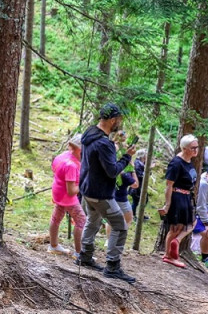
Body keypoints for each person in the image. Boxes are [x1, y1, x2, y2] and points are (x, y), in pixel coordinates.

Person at [76, 103, 137, 283]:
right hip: (101, 193)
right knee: (119, 225)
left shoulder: (90, 133)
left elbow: (98, 160)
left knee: (92, 221)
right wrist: (127, 156)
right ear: (112, 120)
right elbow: (112, 171)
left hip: (87, 190)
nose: (120, 123)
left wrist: (114, 145)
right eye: (119, 120)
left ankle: (85, 256)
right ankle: (112, 266)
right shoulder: (104, 143)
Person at [160, 134, 199, 268]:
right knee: (174, 227)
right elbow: (169, 185)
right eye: (193, 147)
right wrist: (168, 204)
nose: (196, 150)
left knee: (187, 224)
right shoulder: (176, 163)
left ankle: (176, 243)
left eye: (197, 147)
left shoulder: (189, 161)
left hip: (187, 197)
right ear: (184, 148)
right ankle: (168, 255)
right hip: (177, 197)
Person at [48, 134, 85, 257]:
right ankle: (79, 253)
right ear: (80, 149)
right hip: (67, 197)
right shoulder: (71, 165)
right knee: (81, 220)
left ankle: (53, 246)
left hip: (57, 191)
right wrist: (84, 185)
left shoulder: (62, 155)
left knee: (56, 217)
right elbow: (71, 190)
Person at [130, 149, 147, 217]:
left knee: (145, 200)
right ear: (142, 156)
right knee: (135, 201)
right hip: (137, 187)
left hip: (141, 186)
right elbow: (139, 175)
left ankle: (140, 214)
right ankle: (133, 215)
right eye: (145, 154)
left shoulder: (143, 163)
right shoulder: (137, 163)